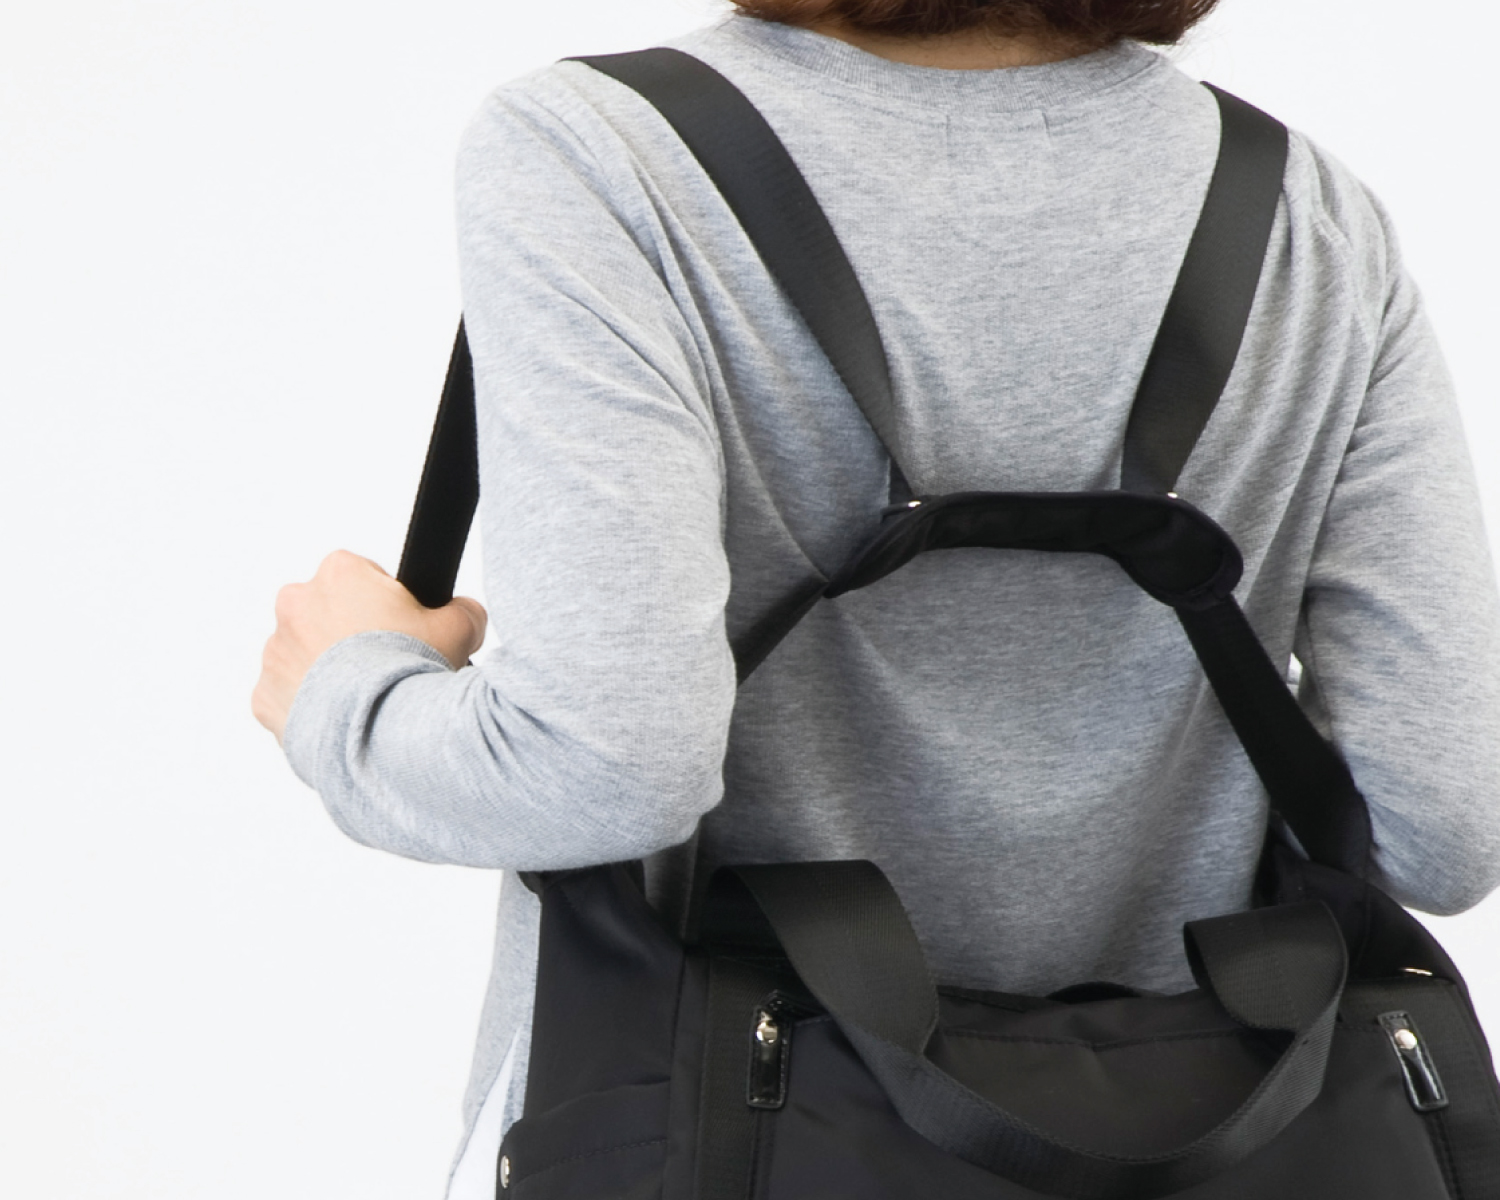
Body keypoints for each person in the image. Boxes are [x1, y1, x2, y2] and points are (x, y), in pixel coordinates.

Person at [252, 1, 1500, 1196]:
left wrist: (347, 690)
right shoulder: (1306, 208)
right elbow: (1442, 827)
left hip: (721, 1127)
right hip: (1232, 1145)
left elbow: (606, 765)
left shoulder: (606, 155)